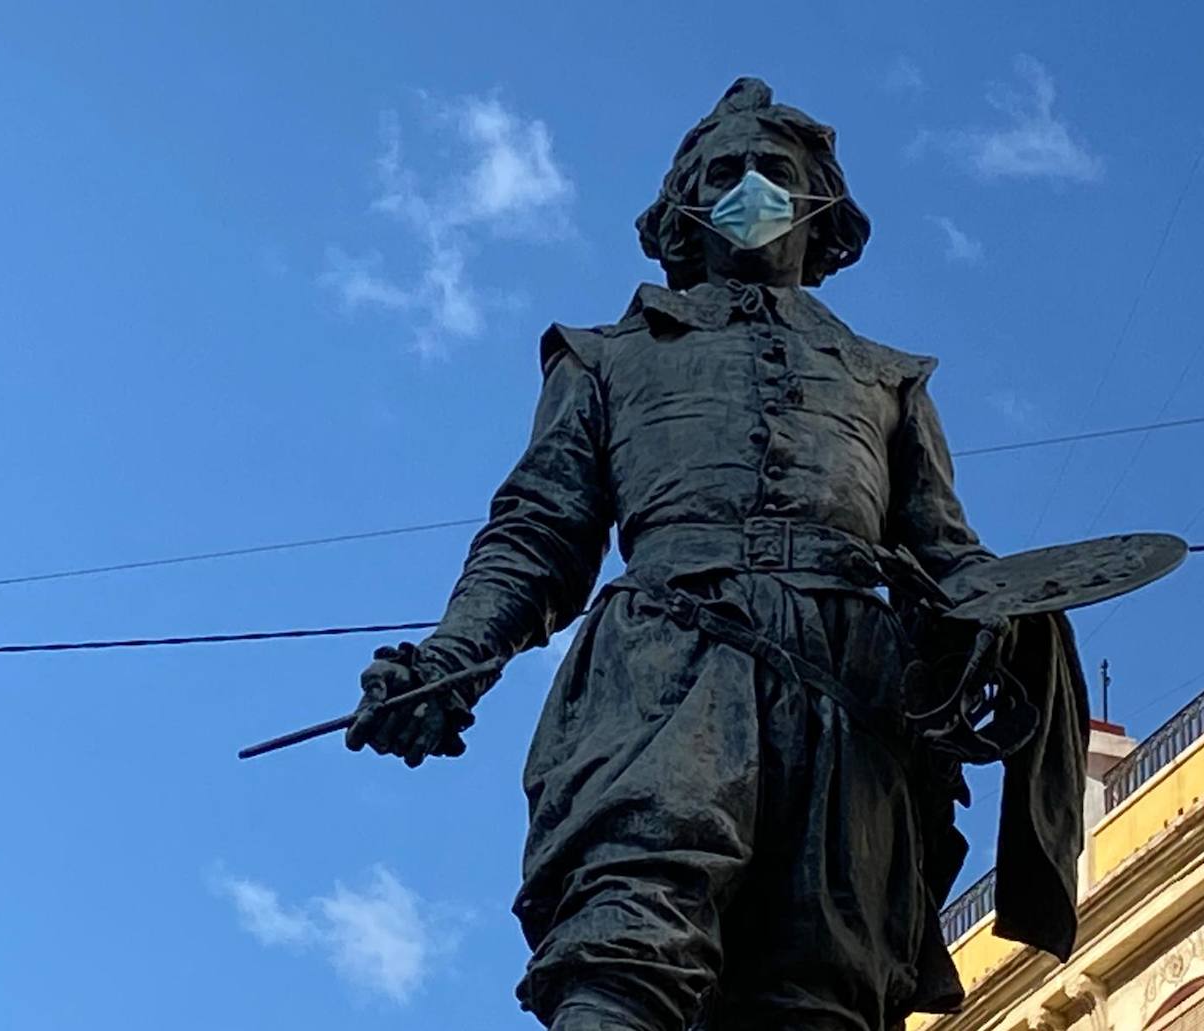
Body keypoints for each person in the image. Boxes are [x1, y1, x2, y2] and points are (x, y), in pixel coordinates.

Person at [345, 78, 1089, 1031]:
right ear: (685, 207)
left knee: (819, 994)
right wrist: (451, 660)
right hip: (665, 664)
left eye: (774, 172)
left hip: (846, 694)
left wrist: (1004, 616)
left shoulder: (887, 382)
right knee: (624, 939)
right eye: (724, 171)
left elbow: (947, 558)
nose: (750, 187)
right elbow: (538, 530)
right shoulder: (607, 355)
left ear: (819, 208)